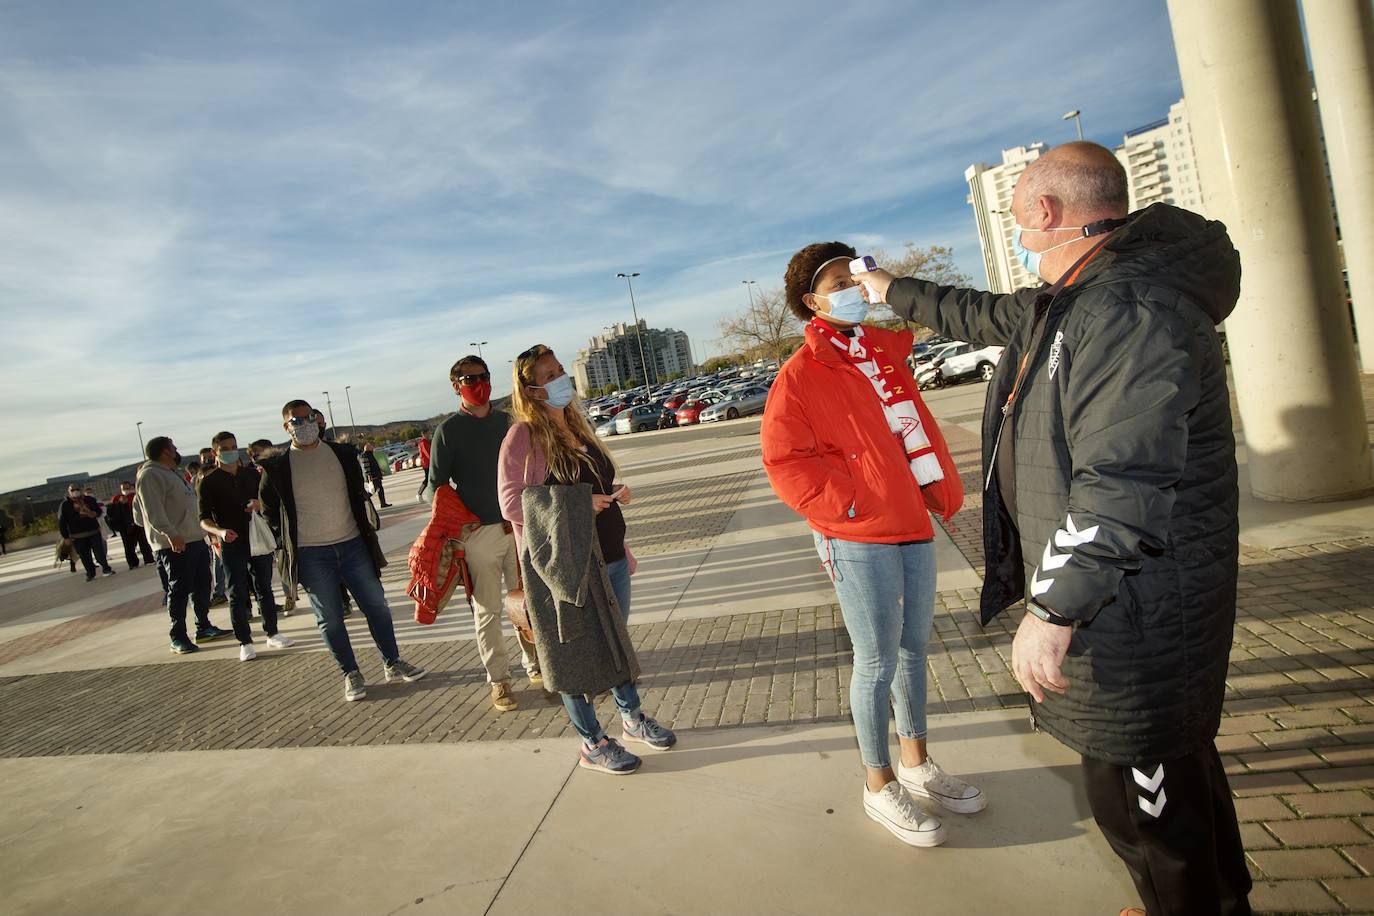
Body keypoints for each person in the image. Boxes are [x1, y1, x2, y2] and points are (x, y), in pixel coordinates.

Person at [855, 141, 1249, 912]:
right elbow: (979, 312)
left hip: (1131, 616)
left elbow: (1122, 483)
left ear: (1044, 212)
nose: (1016, 232)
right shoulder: (1074, 300)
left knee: (1152, 815)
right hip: (1122, 607)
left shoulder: (1127, 310)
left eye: (1016, 216)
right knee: (1175, 789)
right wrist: (890, 289)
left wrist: (1053, 609)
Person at [761, 241, 982, 849]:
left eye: (857, 275)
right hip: (857, 534)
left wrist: (932, 489)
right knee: (876, 659)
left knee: (913, 649)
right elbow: (786, 463)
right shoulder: (801, 375)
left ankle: (915, 762)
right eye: (840, 280)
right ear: (813, 301)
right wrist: (853, 505)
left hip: (911, 522)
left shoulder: (882, 357)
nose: (855, 287)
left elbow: (914, 434)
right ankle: (878, 781)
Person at [498, 344, 675, 775]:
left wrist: (615, 496)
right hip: (568, 569)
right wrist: (579, 504)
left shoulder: (577, 426)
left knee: (616, 645)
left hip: (610, 557)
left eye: (560, 370)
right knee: (572, 656)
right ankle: (592, 741)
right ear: (532, 389)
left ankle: (631, 719)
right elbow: (510, 503)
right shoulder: (523, 435)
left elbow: (594, 488)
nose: (560, 378)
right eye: (549, 373)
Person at [258, 399, 425, 701]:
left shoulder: (342, 455)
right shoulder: (277, 468)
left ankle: (392, 661)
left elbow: (357, 493)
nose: (305, 424)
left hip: (352, 545)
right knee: (331, 618)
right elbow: (270, 512)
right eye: (297, 421)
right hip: (311, 554)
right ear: (286, 427)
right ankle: (350, 672)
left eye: (309, 418)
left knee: (376, 606)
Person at [429, 354, 540, 711]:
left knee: (529, 602)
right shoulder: (448, 432)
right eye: (469, 379)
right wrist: (463, 525)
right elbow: (436, 487)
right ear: (455, 386)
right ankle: (500, 681)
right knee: (488, 611)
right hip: (480, 535)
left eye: (483, 376)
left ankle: (538, 665)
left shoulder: (510, 421)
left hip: (519, 527)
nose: (478, 384)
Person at [198, 431, 295, 661]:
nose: (232, 452)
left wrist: (258, 504)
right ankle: (245, 641)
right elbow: (202, 518)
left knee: (264, 588)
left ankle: (272, 632)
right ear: (215, 453)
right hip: (231, 543)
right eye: (226, 449)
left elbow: (269, 502)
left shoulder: (252, 475)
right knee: (237, 592)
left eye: (234, 447)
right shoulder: (209, 482)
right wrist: (220, 531)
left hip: (257, 539)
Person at [135, 437, 233, 653]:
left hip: (194, 540)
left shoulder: (171, 473)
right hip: (175, 544)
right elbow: (151, 511)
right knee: (178, 590)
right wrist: (170, 534)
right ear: (164, 451)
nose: (177, 451)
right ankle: (177, 636)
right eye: (173, 447)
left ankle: (203, 627)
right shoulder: (150, 474)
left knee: (201, 586)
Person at [58, 484, 115, 580]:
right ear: (69, 492)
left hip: (93, 531)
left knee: (99, 552)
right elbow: (62, 522)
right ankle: (90, 573)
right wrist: (66, 537)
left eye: (77, 489)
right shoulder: (65, 505)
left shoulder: (89, 500)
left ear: (81, 490)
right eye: (73, 490)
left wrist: (93, 513)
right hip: (78, 536)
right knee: (85, 556)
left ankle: (106, 569)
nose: (75, 491)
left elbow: (99, 511)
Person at [106, 481, 155, 569]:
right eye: (124, 488)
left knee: (143, 543)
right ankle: (133, 563)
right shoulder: (116, 498)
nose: (126, 490)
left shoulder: (135, 496)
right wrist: (119, 504)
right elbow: (111, 513)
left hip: (138, 524)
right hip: (125, 526)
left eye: (127, 488)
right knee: (128, 546)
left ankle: (149, 559)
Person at [358, 444, 391, 508]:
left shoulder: (370, 455)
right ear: (368, 448)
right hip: (373, 476)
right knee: (373, 490)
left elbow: (374, 465)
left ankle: (383, 503)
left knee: (379, 489)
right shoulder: (365, 456)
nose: (373, 448)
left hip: (376, 475)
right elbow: (366, 467)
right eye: (371, 447)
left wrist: (381, 470)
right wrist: (369, 476)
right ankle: (363, 500)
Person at [415, 429, 432, 502]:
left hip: (429, 463)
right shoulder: (423, 443)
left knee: (431, 479)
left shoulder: (428, 442)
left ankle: (432, 493)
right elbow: (427, 453)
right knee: (427, 479)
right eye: (428, 433)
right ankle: (419, 493)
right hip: (427, 463)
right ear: (424, 434)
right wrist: (433, 460)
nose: (429, 435)